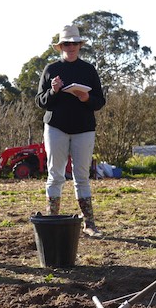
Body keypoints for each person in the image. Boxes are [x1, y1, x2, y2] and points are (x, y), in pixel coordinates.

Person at [35, 24, 106, 237]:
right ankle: (51, 221)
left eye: (75, 43)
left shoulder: (88, 70)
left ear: (80, 45)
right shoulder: (50, 69)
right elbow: (40, 101)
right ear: (60, 47)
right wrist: (53, 90)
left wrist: (86, 98)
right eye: (67, 43)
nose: (71, 46)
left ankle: (89, 224)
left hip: (84, 128)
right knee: (55, 174)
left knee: (81, 176)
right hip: (56, 127)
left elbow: (100, 101)